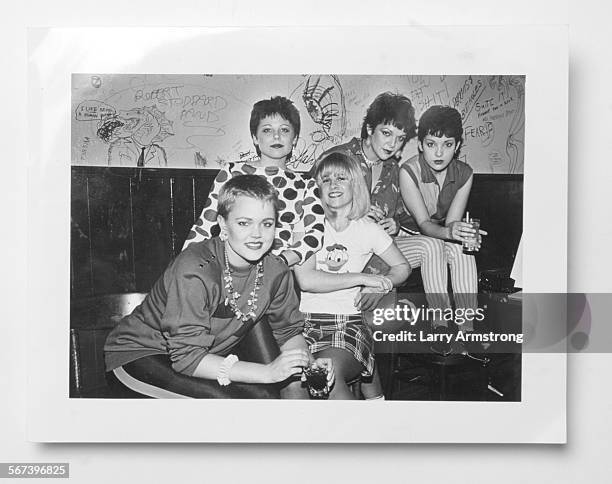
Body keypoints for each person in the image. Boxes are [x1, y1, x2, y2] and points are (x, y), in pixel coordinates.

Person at [104, 175, 334, 399]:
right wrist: (267, 372)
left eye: (267, 224)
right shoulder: (194, 268)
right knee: (231, 405)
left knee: (263, 399)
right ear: (223, 224)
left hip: (200, 359)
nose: (257, 234)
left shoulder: (276, 271)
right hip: (138, 356)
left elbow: (288, 333)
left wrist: (312, 366)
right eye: (244, 223)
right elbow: (187, 358)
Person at [295, 153, 410, 400]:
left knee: (329, 372)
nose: (333, 185)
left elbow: (402, 267)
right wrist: (363, 278)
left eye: (341, 178)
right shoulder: (305, 226)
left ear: (355, 184)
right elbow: (308, 281)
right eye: (325, 179)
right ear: (317, 188)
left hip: (347, 323)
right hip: (302, 325)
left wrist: (381, 285)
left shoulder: (368, 229)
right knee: (293, 384)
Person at [183, 96, 324, 267]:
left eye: (285, 130)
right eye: (267, 130)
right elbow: (204, 225)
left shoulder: (306, 183)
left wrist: (281, 261)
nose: (277, 136)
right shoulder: (232, 172)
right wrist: (182, 265)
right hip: (229, 268)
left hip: (277, 273)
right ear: (255, 138)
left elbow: (315, 234)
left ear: (294, 138)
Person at [396, 105, 486, 349]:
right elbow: (425, 224)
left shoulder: (465, 173)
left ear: (457, 146)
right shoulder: (409, 171)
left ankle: (467, 329)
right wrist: (449, 233)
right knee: (434, 244)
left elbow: (452, 223)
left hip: (436, 238)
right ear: (420, 145)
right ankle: (441, 325)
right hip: (402, 240)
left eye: (447, 144)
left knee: (461, 248)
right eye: (431, 143)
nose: (438, 152)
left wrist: (465, 234)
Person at [319, 92, 417, 238]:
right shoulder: (338, 157)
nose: (392, 144)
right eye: (386, 133)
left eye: (400, 138)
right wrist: (354, 211)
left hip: (378, 244)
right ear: (370, 129)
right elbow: (310, 204)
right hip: (338, 245)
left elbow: (400, 213)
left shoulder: (393, 169)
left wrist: (395, 224)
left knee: (433, 245)